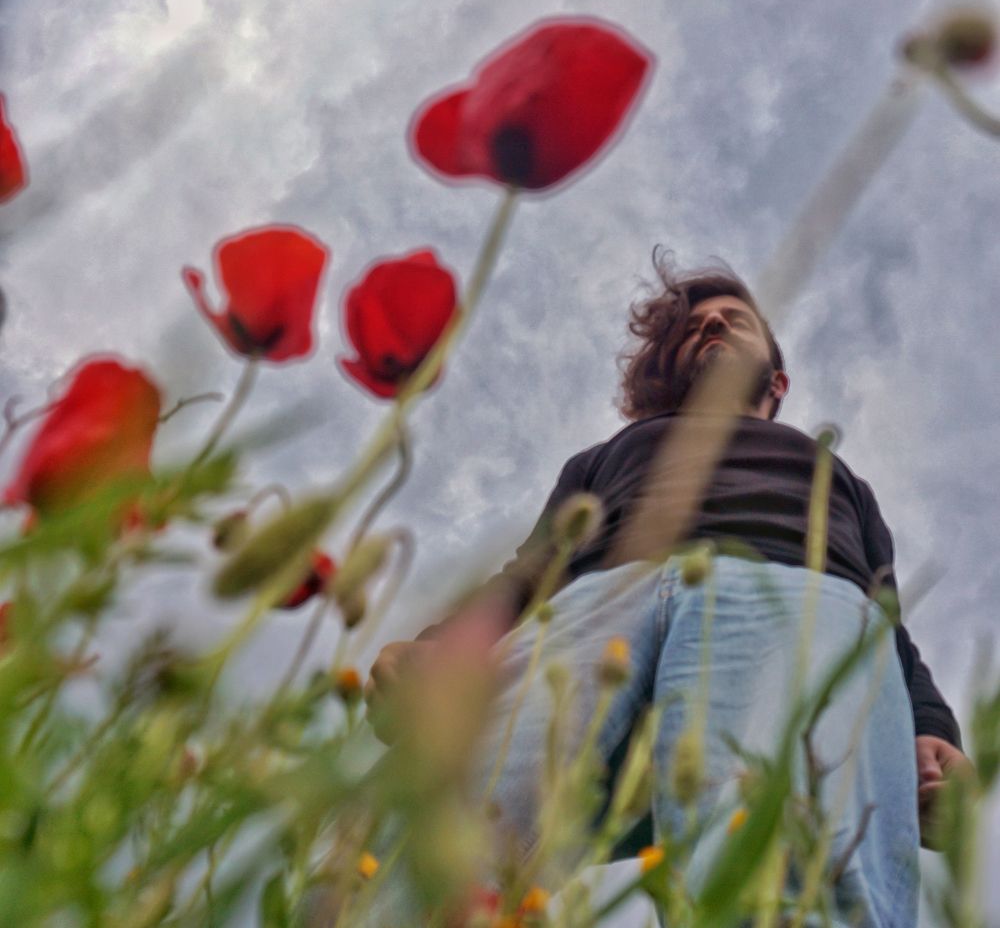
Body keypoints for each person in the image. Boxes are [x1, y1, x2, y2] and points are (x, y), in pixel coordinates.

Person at [365, 261, 971, 927]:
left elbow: (887, 618)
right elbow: (530, 570)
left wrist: (931, 728)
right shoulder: (604, 456)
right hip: (592, 606)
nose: (712, 325)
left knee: (783, 866)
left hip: (795, 602)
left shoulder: (840, 477)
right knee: (430, 836)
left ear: (778, 380)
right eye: (695, 324)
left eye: (734, 320)